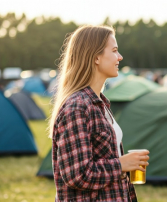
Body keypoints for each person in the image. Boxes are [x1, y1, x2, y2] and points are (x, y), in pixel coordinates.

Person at [49, 25, 149, 202]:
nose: (120, 57)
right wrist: (122, 164)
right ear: (96, 57)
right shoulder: (77, 107)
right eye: (115, 50)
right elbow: (76, 174)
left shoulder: (99, 103)